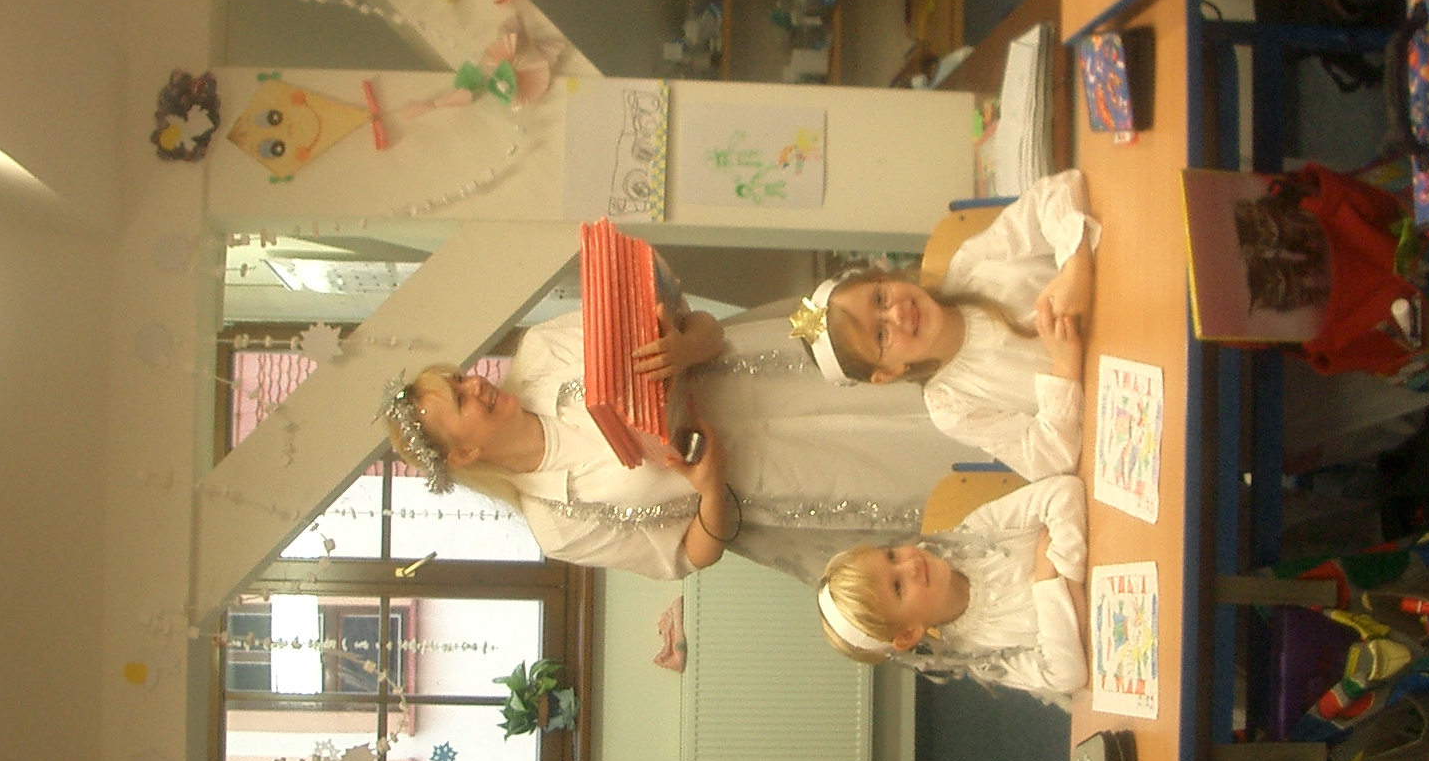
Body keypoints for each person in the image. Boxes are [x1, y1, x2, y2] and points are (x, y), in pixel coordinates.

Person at [381, 296, 971, 585]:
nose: (475, 385)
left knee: (905, 376)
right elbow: (688, 555)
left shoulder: (543, 349)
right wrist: (709, 486)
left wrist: (686, 348)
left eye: (460, 378)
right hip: (777, 481)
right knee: (920, 472)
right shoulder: (555, 525)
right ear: (463, 454)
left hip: (770, 372)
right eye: (460, 400)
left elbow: (698, 323)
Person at [792, 170, 1097, 480]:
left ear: (885, 279)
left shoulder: (974, 263)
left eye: (880, 298)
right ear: (888, 372)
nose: (896, 314)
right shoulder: (952, 407)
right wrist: (1065, 368)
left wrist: (1076, 268)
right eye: (881, 335)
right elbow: (1049, 460)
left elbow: (1057, 190)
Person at [815, 474, 1088, 703]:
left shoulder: (979, 534)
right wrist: (1047, 583)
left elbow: (1063, 492)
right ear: (909, 634)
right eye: (898, 587)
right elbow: (1065, 676)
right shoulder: (984, 656)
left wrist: (1072, 596)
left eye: (891, 556)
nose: (910, 564)